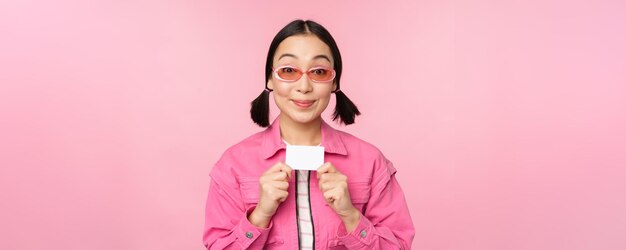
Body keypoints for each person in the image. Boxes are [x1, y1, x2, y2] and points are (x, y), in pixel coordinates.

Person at [203, 19, 415, 249]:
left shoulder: (371, 162)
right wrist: (260, 215)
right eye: (288, 70)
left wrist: (350, 215)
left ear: (334, 82)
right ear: (270, 79)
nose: (304, 86)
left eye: (319, 72)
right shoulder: (233, 164)